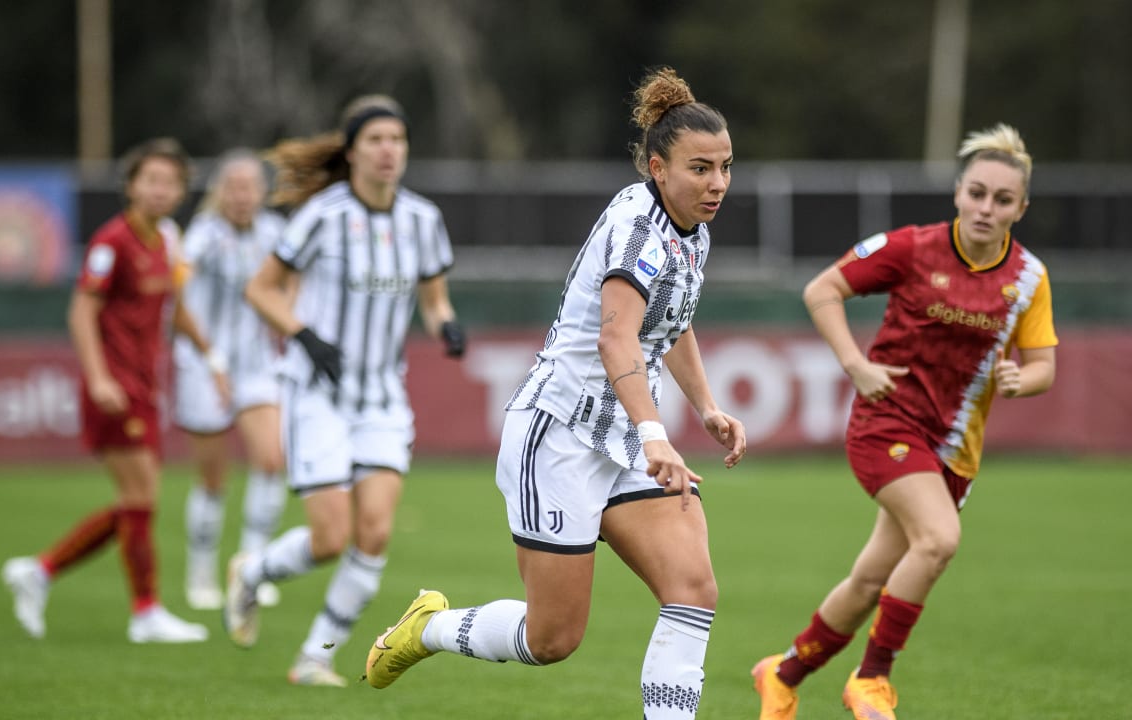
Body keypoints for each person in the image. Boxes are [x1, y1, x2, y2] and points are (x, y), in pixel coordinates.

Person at [362, 67, 748, 720]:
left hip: (622, 438)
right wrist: (658, 436)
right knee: (552, 638)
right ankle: (427, 627)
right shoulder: (638, 229)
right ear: (658, 167)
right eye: (700, 169)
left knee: (693, 589)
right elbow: (616, 339)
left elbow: (670, 326)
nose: (717, 184)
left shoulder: (692, 230)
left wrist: (706, 406)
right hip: (560, 433)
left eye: (726, 167)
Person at [750, 123, 1058, 720]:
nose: (986, 208)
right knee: (939, 540)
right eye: (976, 193)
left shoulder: (1028, 279)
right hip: (886, 427)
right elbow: (823, 289)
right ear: (957, 192)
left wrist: (1025, 380)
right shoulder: (911, 248)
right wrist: (854, 364)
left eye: (1001, 199)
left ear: (1021, 208)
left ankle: (782, 675)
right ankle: (872, 679)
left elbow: (1044, 364)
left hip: (954, 451)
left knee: (870, 582)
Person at [226, 94, 468, 687]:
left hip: (383, 396)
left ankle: (314, 657)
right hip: (317, 395)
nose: (389, 151)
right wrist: (303, 335)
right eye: (376, 140)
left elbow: (434, 301)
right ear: (352, 151)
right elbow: (263, 289)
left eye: (398, 140)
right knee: (330, 537)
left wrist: (447, 327)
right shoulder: (323, 215)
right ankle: (253, 573)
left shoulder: (422, 220)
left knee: (376, 532)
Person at [2, 138, 223, 643]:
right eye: (151, 180)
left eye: (170, 182)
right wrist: (98, 377)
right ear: (131, 185)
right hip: (114, 388)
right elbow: (81, 310)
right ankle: (145, 611)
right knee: (141, 498)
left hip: (145, 387)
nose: (160, 190)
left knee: (136, 503)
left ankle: (40, 571)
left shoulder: (168, 239)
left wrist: (212, 358)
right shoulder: (112, 241)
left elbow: (177, 308)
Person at [172, 149, 288, 611]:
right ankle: (200, 570)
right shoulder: (201, 237)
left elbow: (290, 288)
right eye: (233, 188)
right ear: (221, 192)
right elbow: (174, 299)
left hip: (258, 366)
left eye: (250, 188)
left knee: (271, 460)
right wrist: (212, 357)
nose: (241, 197)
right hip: (204, 363)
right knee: (213, 479)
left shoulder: (275, 234)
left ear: (261, 193)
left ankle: (251, 568)